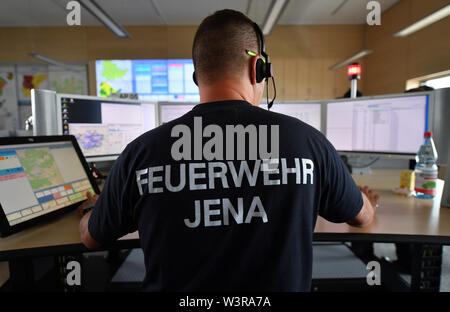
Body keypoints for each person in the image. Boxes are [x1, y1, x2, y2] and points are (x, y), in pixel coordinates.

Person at [78, 9, 379, 291]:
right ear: (257, 67)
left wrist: (94, 206)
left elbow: (91, 239)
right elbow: (361, 217)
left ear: (197, 76)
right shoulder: (309, 144)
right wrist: (364, 198)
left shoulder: (141, 153)